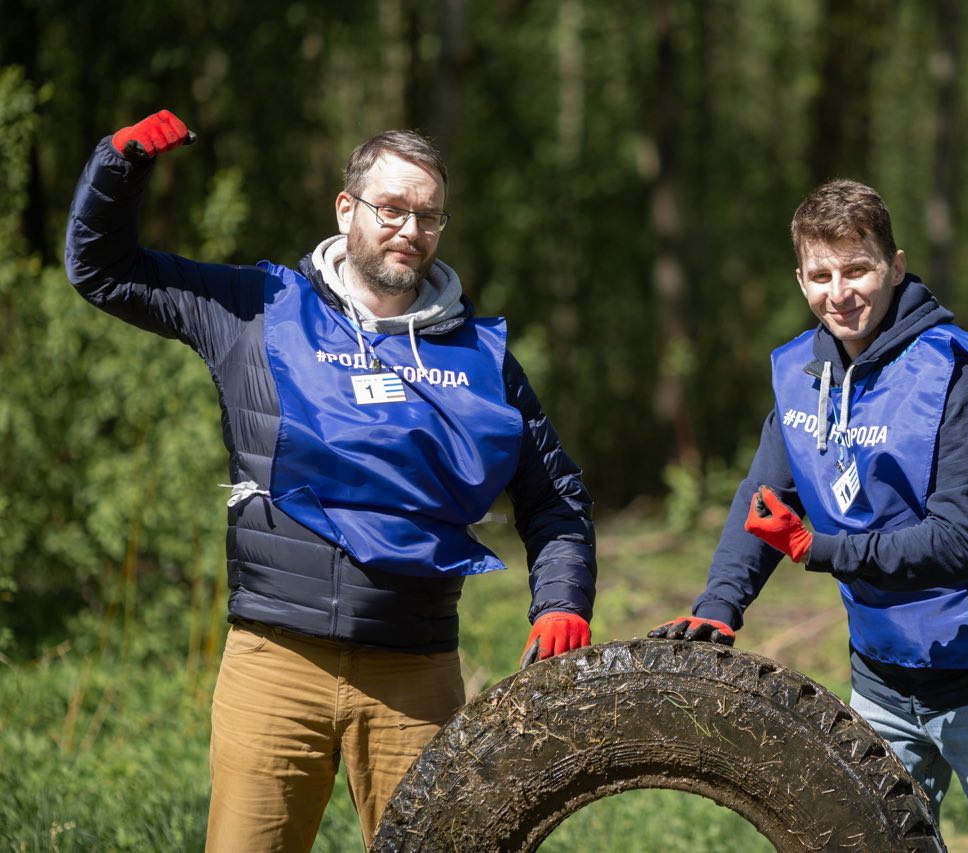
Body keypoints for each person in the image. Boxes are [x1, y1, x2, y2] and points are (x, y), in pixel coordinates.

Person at [65, 110, 597, 851]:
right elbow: (103, 268)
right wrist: (117, 168)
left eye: (429, 215)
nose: (411, 228)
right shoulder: (257, 308)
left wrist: (562, 601)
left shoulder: (484, 356)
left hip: (417, 676)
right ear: (346, 209)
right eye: (392, 209)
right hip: (276, 665)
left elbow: (555, 500)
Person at [650, 179, 968, 852]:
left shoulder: (959, 377)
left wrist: (816, 549)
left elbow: (957, 541)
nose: (840, 291)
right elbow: (765, 496)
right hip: (880, 679)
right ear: (800, 280)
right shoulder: (800, 372)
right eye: (821, 275)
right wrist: (720, 604)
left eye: (857, 269)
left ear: (895, 266)